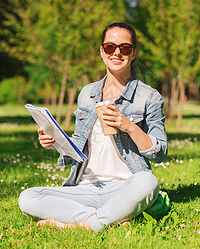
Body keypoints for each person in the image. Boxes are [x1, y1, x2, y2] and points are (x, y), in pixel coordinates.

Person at [19, 22, 168, 232]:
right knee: (27, 197)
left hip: (126, 185)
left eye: (124, 48)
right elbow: (78, 148)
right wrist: (55, 143)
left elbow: (159, 152)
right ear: (101, 51)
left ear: (133, 53)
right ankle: (104, 218)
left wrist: (128, 126)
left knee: (148, 182)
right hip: (86, 187)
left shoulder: (149, 97)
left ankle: (85, 224)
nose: (117, 52)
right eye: (110, 47)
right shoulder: (87, 94)